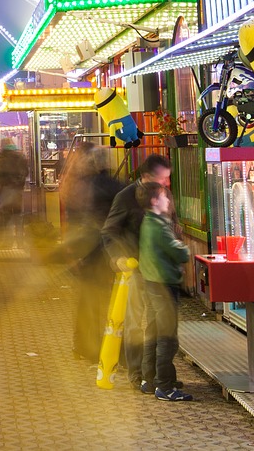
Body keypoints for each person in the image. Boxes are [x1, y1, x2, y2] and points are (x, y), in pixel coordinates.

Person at [100, 153, 171, 393]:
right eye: (162, 178)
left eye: (167, 179)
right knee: (134, 323)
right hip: (135, 268)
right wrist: (117, 258)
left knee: (158, 324)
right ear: (145, 177)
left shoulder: (162, 194)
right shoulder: (126, 196)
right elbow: (109, 231)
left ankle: (154, 375)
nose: (166, 184)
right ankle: (136, 374)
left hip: (159, 269)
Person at [62, 144, 123, 362]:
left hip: (87, 249)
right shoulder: (109, 185)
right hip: (104, 250)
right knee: (107, 300)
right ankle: (104, 347)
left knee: (88, 300)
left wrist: (73, 251)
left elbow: (75, 219)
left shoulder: (77, 185)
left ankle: (83, 345)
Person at [137, 180, 192, 401]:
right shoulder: (159, 226)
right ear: (154, 201)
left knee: (152, 332)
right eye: (164, 196)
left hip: (150, 282)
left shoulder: (147, 223)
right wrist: (185, 248)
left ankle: (148, 379)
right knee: (167, 337)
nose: (168, 200)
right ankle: (165, 386)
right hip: (164, 285)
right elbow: (179, 253)